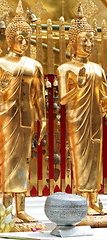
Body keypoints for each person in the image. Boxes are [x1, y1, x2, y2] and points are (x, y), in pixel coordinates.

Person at [0, 0, 47, 223]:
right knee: (7, 159)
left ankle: (21, 207)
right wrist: (0, 88)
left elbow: (38, 96)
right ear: (9, 39)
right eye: (18, 38)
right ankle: (5, 208)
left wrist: (43, 118)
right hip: (6, 116)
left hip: (26, 116)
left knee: (24, 160)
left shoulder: (34, 65)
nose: (23, 42)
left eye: (26, 38)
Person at [57, 5, 107, 215]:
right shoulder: (65, 68)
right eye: (83, 40)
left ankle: (94, 199)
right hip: (77, 118)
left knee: (95, 157)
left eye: (90, 40)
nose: (87, 43)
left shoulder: (98, 69)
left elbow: (104, 97)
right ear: (72, 43)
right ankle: (81, 199)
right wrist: (77, 87)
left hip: (95, 118)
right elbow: (62, 99)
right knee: (79, 156)